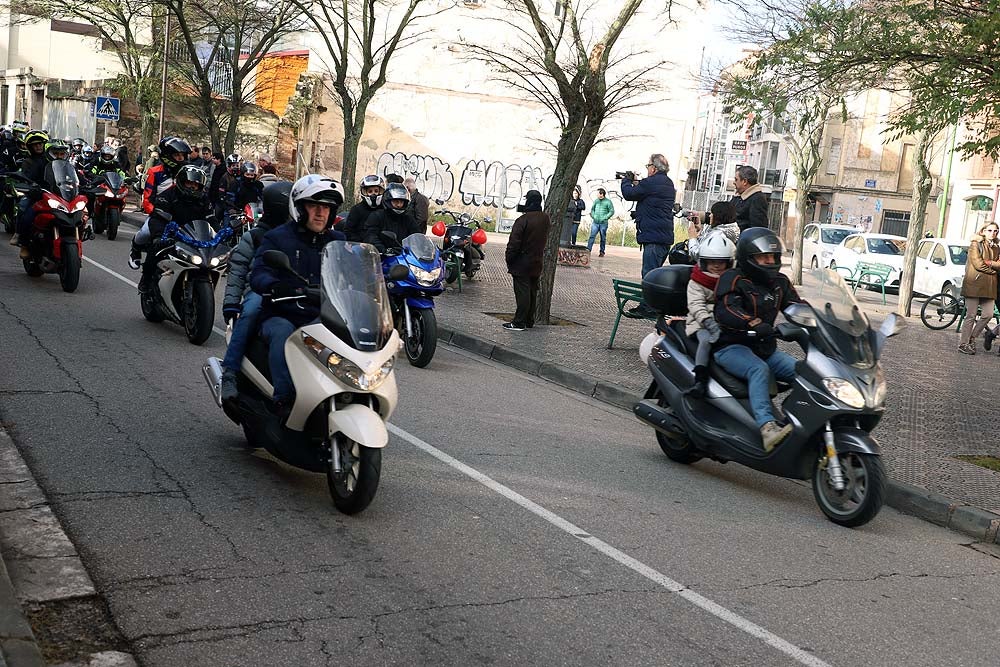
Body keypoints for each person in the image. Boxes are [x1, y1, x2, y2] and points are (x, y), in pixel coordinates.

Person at [250, 175, 347, 416]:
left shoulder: (339, 241)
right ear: (300, 208)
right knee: (284, 333)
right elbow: (259, 272)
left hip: (322, 315)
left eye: (326, 207)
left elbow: (351, 274)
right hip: (283, 313)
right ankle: (284, 400)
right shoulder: (278, 237)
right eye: (314, 206)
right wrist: (276, 286)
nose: (320, 213)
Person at [713, 227, 802, 451]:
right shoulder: (733, 278)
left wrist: (822, 321)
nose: (770, 261)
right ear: (748, 257)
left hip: (764, 349)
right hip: (731, 346)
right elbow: (725, 309)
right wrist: (752, 322)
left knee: (805, 373)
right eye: (764, 257)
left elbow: (798, 308)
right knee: (758, 370)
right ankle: (767, 428)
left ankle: (797, 422)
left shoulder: (780, 282)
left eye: (773, 256)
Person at [219, 180, 293, 410]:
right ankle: (230, 372)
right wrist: (232, 302)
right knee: (250, 313)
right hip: (260, 291)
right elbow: (239, 268)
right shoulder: (257, 236)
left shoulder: (298, 234)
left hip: (294, 294)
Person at [130, 165, 213, 292]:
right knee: (155, 250)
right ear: (181, 181)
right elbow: (157, 218)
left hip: (193, 236)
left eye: (196, 185)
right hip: (169, 233)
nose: (192, 187)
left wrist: (221, 235)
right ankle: (145, 279)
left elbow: (211, 220)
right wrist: (159, 236)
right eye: (189, 183)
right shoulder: (167, 195)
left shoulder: (204, 200)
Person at [685, 232, 736, 397]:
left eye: (721, 263)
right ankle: (700, 379)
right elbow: (696, 305)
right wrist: (709, 323)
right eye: (712, 262)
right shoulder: (697, 281)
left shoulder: (733, 280)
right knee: (706, 341)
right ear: (703, 262)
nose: (716, 266)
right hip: (701, 323)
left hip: (726, 321)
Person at [621, 153, 677, 278]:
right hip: (663, 238)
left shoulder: (650, 183)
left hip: (653, 239)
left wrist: (626, 180)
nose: (647, 168)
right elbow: (653, 201)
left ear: (654, 168)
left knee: (649, 278)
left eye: (648, 165)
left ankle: (648, 298)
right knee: (654, 277)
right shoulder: (668, 183)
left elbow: (629, 194)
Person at [504, 189, 550, 331]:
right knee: (532, 292)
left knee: (522, 293)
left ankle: (519, 322)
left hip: (521, 262)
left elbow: (514, 243)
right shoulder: (545, 219)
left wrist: (509, 259)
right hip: (537, 261)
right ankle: (529, 320)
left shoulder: (522, 220)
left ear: (528, 201)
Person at [957, 222, 1000, 355]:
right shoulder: (976, 244)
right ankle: (963, 344)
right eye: (990, 230)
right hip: (974, 284)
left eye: (996, 231)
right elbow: (978, 264)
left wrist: (990, 263)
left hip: (989, 286)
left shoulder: (997, 247)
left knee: (988, 315)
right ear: (983, 231)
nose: (993, 233)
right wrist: (993, 270)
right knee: (971, 315)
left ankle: (972, 338)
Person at [10, 129, 50, 251]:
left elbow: (67, 172)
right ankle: (22, 240)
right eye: (35, 145)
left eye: (40, 144)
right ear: (30, 147)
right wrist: (30, 186)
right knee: (25, 209)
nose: (38, 147)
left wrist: (84, 183)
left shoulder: (51, 159)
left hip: (53, 193)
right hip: (35, 193)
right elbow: (25, 177)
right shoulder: (28, 162)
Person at [363, 182, 420, 253]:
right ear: (388, 200)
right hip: (382, 257)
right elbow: (370, 236)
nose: (399, 205)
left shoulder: (409, 219)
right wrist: (384, 250)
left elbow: (417, 237)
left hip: (404, 257)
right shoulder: (377, 216)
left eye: (401, 201)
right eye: (396, 201)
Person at [141, 136, 191, 214]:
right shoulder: (155, 172)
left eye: (183, 155)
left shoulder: (189, 173)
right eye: (177, 155)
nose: (181, 158)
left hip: (183, 217)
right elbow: (148, 199)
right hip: (160, 215)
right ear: (167, 156)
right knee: (146, 226)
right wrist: (155, 213)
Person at [343, 175, 385, 242]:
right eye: (370, 191)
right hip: (361, 246)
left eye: (376, 191)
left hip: (381, 248)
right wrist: (361, 242)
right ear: (364, 192)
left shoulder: (385, 209)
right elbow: (348, 231)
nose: (373, 194)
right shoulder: (356, 210)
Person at [730, 165, 770, 232]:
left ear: (745, 181)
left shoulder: (757, 199)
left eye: (736, 179)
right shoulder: (738, 197)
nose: (734, 182)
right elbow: (725, 215)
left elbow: (757, 229)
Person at [587, 188, 614, 256]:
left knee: (603, 238)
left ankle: (602, 251)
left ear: (601, 194)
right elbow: (592, 209)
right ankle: (588, 250)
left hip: (603, 223)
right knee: (592, 236)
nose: (597, 195)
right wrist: (593, 216)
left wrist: (605, 217)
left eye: (598, 193)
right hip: (595, 222)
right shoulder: (596, 201)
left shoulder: (608, 202)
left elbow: (611, 211)